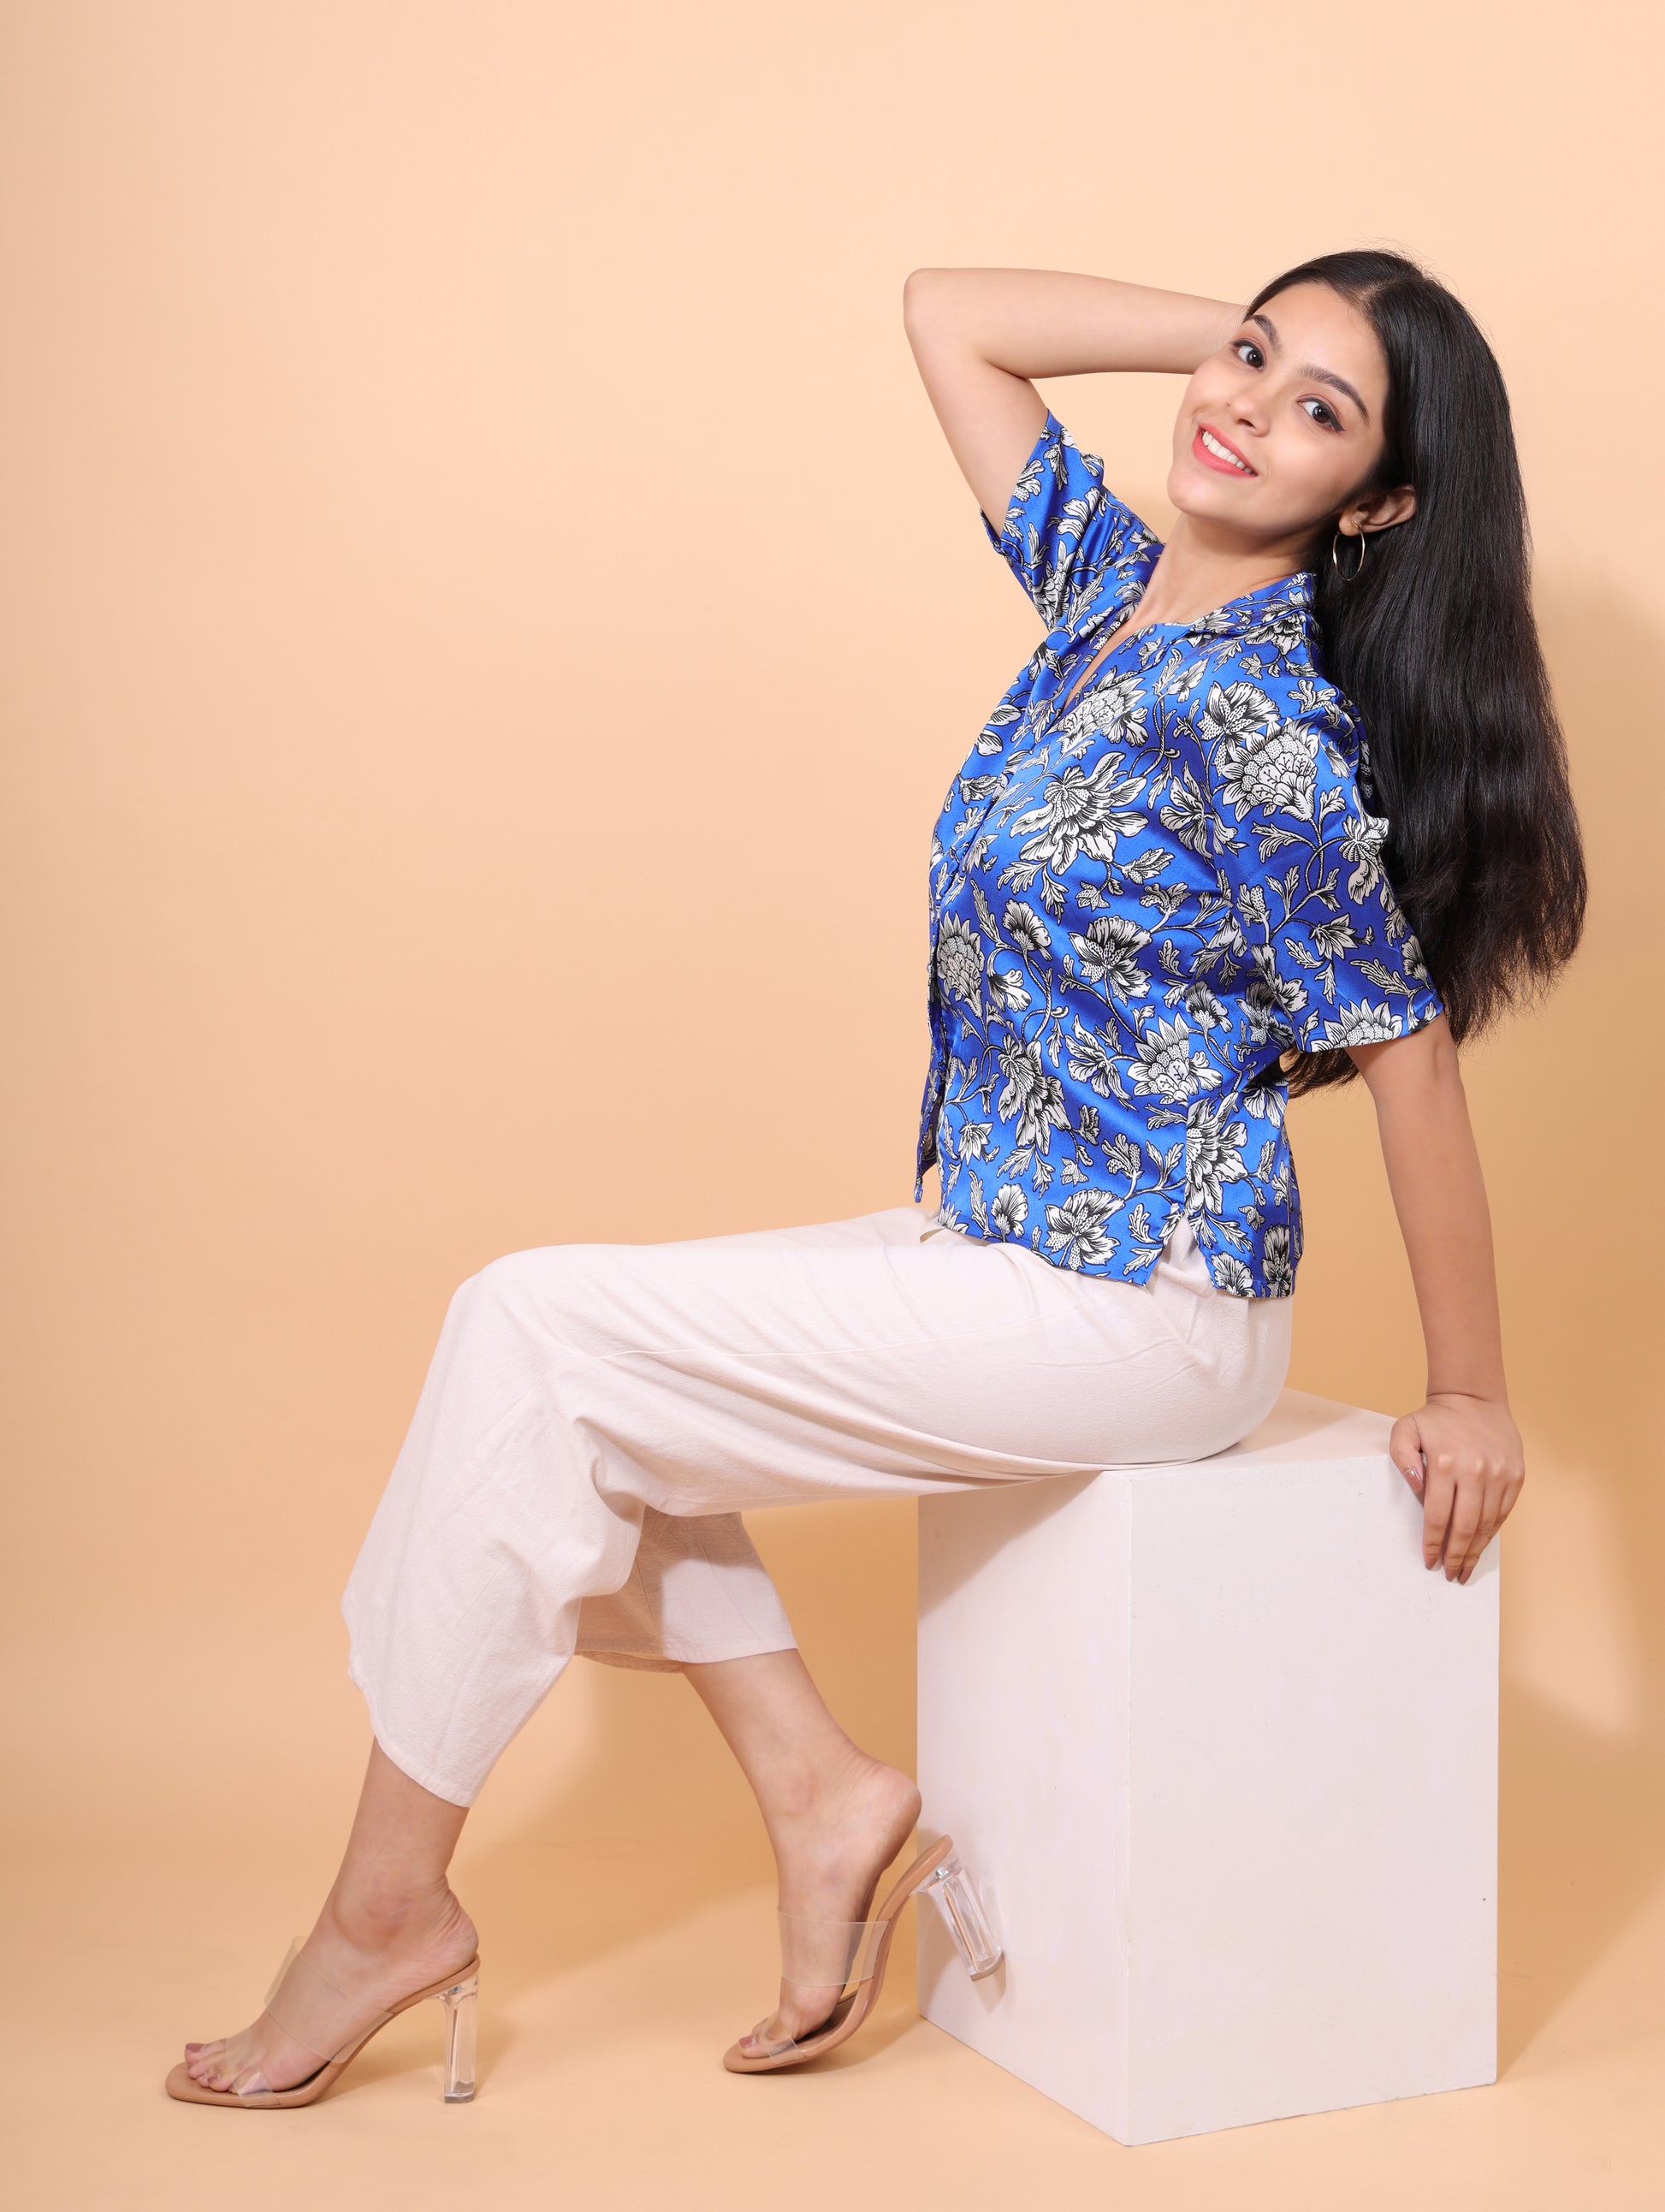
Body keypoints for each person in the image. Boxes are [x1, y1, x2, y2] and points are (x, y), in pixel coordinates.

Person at [167, 251, 1585, 2108]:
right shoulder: (1104, 599)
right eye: (1250, 360)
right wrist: (1236, 342)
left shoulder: (1260, 724)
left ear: (1377, 502)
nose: (1242, 407)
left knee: (531, 1329)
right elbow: (948, 314)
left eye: (1319, 410)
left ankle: (382, 1911)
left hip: (1139, 1304)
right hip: (998, 1242)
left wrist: (1469, 1389)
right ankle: (823, 1795)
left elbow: (1409, 1058)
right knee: (581, 1395)